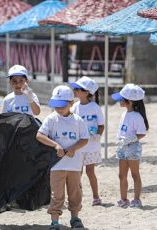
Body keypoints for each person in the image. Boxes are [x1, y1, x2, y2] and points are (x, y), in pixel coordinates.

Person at [36, 85, 89, 230]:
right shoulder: (51, 118)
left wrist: (74, 148)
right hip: (56, 165)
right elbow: (39, 135)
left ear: (71, 103)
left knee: (75, 192)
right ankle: (54, 221)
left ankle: (75, 218)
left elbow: (85, 139)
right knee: (56, 194)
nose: (58, 109)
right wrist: (55, 145)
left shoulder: (78, 120)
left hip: (74, 165)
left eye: (62, 105)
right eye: (56, 105)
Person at [111, 84, 149, 209]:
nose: (119, 101)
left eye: (122, 99)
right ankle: (123, 199)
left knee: (134, 174)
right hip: (122, 147)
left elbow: (142, 133)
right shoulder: (124, 114)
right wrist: (119, 141)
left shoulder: (137, 117)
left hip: (132, 147)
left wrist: (129, 140)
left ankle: (136, 199)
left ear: (130, 101)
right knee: (121, 174)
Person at [70, 76, 104, 206]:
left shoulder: (95, 107)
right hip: (78, 145)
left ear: (86, 92)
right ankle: (77, 197)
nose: (75, 90)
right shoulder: (75, 107)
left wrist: (98, 136)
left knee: (90, 172)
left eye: (78, 88)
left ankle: (96, 196)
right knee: (77, 173)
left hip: (92, 146)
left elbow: (101, 125)